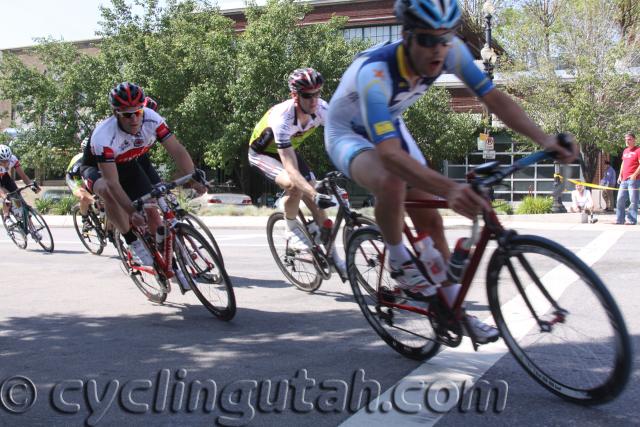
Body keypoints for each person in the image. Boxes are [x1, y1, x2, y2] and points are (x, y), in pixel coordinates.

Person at [324, 0, 577, 343]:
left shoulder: (450, 50)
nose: (438, 50)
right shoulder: (376, 73)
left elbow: (493, 98)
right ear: (406, 35)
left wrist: (544, 138)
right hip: (347, 134)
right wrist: (451, 189)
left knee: (433, 223)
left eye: (446, 39)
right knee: (392, 178)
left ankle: (454, 307)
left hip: (388, 124)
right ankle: (399, 259)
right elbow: (389, 155)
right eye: (428, 40)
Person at [81, 82, 207, 269]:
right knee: (107, 191)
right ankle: (132, 242)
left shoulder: (151, 118)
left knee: (151, 208)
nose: (134, 119)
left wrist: (193, 177)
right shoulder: (104, 136)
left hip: (129, 164)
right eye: (127, 114)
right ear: (116, 114)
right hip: (97, 168)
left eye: (138, 112)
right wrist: (132, 213)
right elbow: (113, 183)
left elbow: (177, 150)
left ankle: (164, 256)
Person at [248, 68, 345, 272]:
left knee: (319, 207)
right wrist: (313, 192)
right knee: (295, 185)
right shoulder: (282, 118)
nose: (314, 100)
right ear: (295, 95)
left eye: (317, 93)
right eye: (308, 95)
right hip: (263, 154)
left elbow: (342, 137)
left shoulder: (322, 109)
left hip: (288, 150)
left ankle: (333, 257)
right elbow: (290, 168)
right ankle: (291, 228)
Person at [0, 144, 40, 219]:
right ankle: (6, 217)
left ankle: (23, 216)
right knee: (6, 196)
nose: (6, 163)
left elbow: (23, 176)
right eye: (3, 161)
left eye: (7, 161)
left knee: (17, 195)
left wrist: (31, 185)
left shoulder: (13, 159)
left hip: (4, 176)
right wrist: (5, 197)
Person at [66, 138, 94, 232]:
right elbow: (76, 177)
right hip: (73, 178)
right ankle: (85, 220)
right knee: (84, 196)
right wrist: (85, 191)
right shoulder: (80, 158)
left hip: (86, 176)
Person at [615, 132, 639, 225]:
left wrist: (634, 175)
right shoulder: (625, 151)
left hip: (634, 180)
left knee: (633, 201)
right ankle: (620, 219)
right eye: (626, 139)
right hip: (624, 180)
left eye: (629, 139)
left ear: (634, 140)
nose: (627, 141)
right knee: (620, 199)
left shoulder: (638, 150)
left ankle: (631, 220)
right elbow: (623, 163)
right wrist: (620, 175)